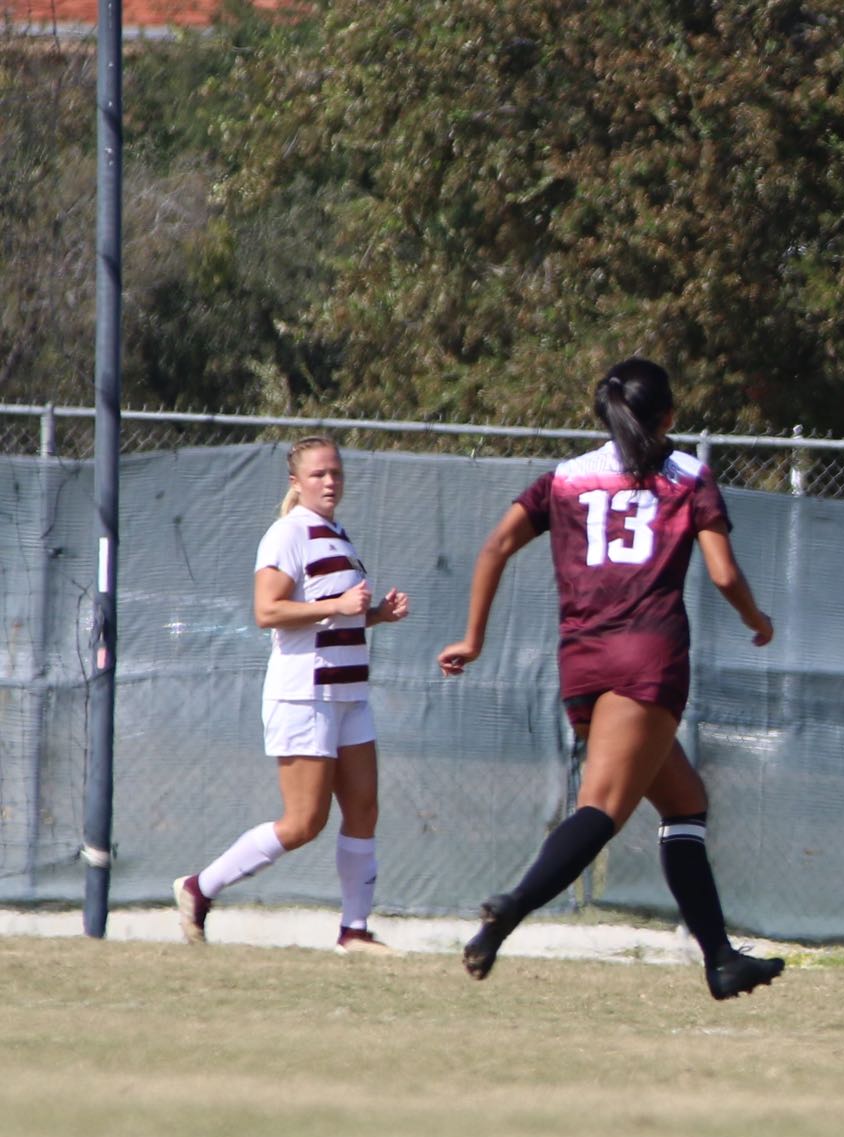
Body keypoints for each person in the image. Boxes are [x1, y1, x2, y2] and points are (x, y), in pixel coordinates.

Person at [436, 358, 784, 1000]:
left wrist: (473, 638)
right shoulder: (687, 476)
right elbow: (726, 575)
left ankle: (720, 960)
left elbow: (494, 548)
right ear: (670, 417)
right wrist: (757, 620)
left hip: (583, 663)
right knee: (602, 807)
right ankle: (509, 911)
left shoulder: (565, 479)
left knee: (684, 801)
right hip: (646, 660)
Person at [175, 437, 410, 952]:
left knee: (364, 809)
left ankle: (354, 931)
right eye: (319, 474)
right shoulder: (288, 533)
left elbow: (335, 613)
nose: (330, 482)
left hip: (348, 692)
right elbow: (268, 612)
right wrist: (339, 603)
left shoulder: (337, 534)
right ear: (296, 482)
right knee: (304, 822)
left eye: (336, 473)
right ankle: (199, 887)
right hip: (305, 695)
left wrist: (375, 615)